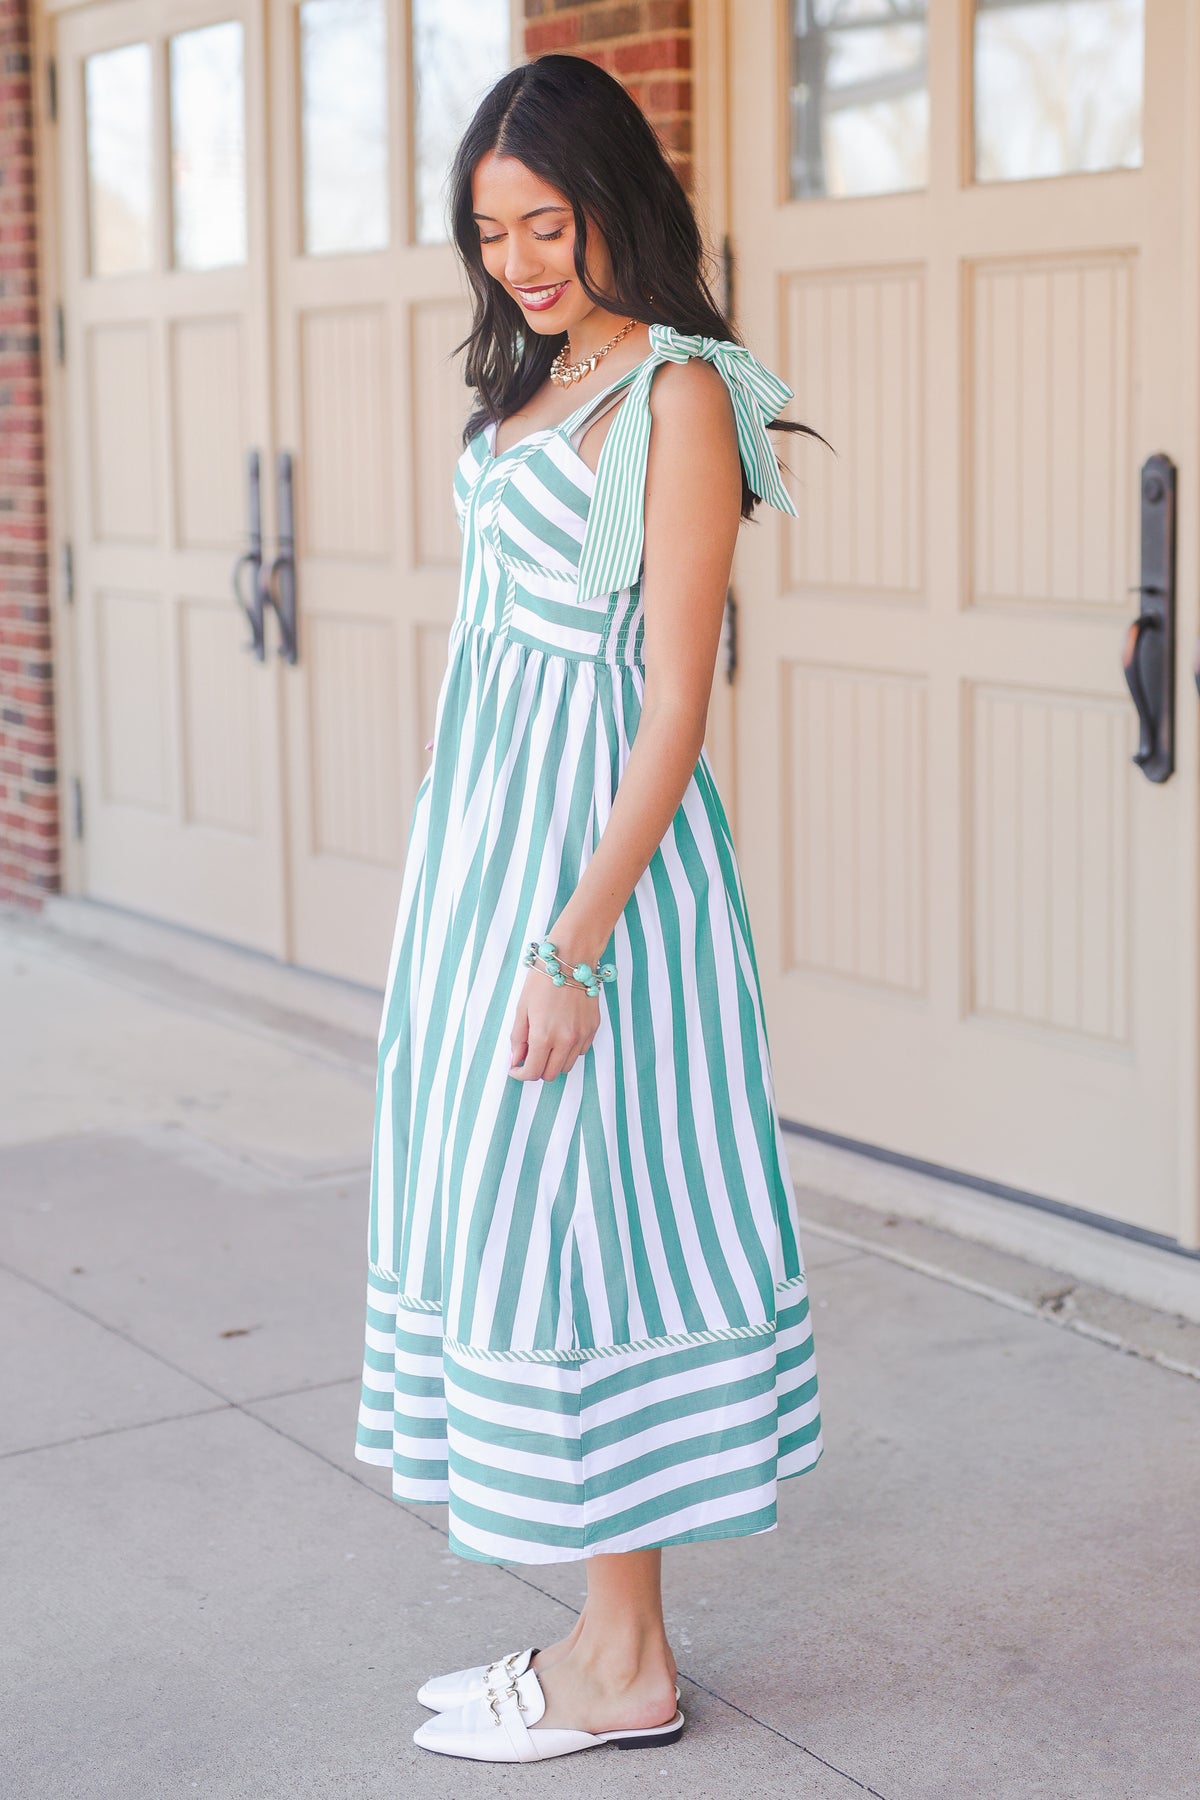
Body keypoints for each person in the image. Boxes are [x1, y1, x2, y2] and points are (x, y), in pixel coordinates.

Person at [353, 52, 825, 1765]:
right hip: (491, 862)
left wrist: (571, 941)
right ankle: (602, 1627)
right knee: (525, 1223)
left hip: (594, 882)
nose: (521, 260)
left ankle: (624, 1666)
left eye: (545, 222)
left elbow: (671, 706)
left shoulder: (675, 395)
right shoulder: (548, 380)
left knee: (584, 1230)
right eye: (491, 232)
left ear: (618, 197)